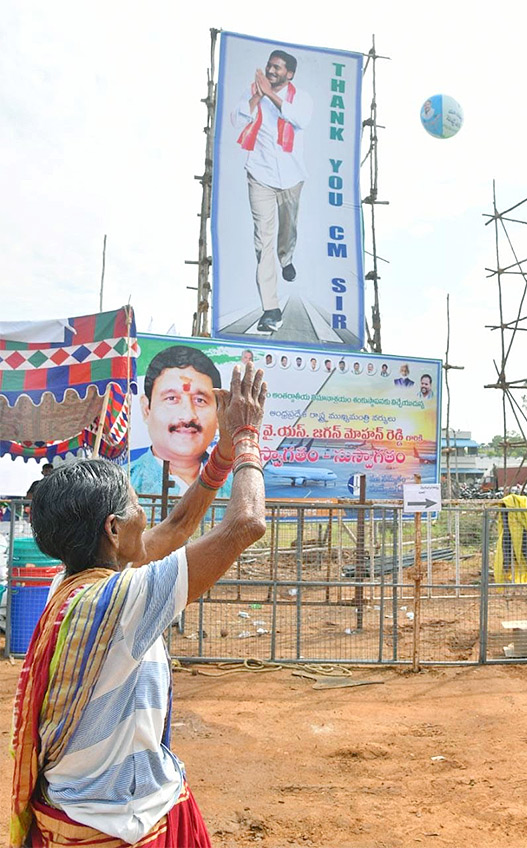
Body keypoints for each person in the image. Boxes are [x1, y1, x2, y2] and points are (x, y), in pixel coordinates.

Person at [10, 363, 267, 848]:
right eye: (133, 505)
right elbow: (247, 523)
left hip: (70, 812)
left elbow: (172, 532)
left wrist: (222, 456)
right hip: (128, 823)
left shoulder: (68, 585)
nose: (143, 515)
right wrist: (250, 437)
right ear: (112, 529)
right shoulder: (124, 601)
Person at [231, 50, 313, 334]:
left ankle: (286, 258)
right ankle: (271, 308)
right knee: (262, 241)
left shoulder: (301, 98)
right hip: (260, 175)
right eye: (269, 66)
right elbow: (237, 121)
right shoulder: (254, 91)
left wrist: (272, 96)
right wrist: (258, 97)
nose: (271, 70)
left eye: (277, 67)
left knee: (287, 231)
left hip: (291, 177)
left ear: (289, 74)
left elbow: (299, 120)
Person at [130, 346, 230, 499]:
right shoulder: (123, 484)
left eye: (200, 400)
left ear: (218, 414)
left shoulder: (237, 488)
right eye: (171, 399)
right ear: (146, 409)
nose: (187, 416)